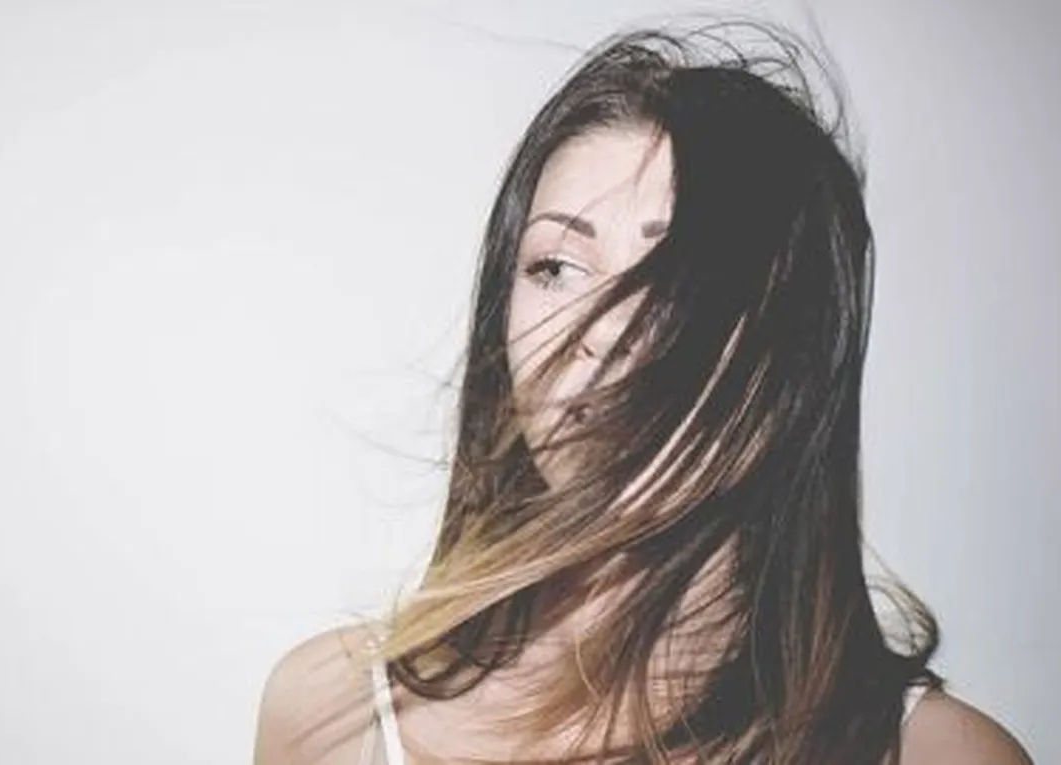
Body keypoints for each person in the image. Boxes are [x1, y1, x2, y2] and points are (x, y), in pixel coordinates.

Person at [253, 19, 1032, 765]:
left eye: (678, 279)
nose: (602, 328)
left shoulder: (941, 754)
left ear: (795, 348)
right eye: (557, 267)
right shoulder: (328, 718)